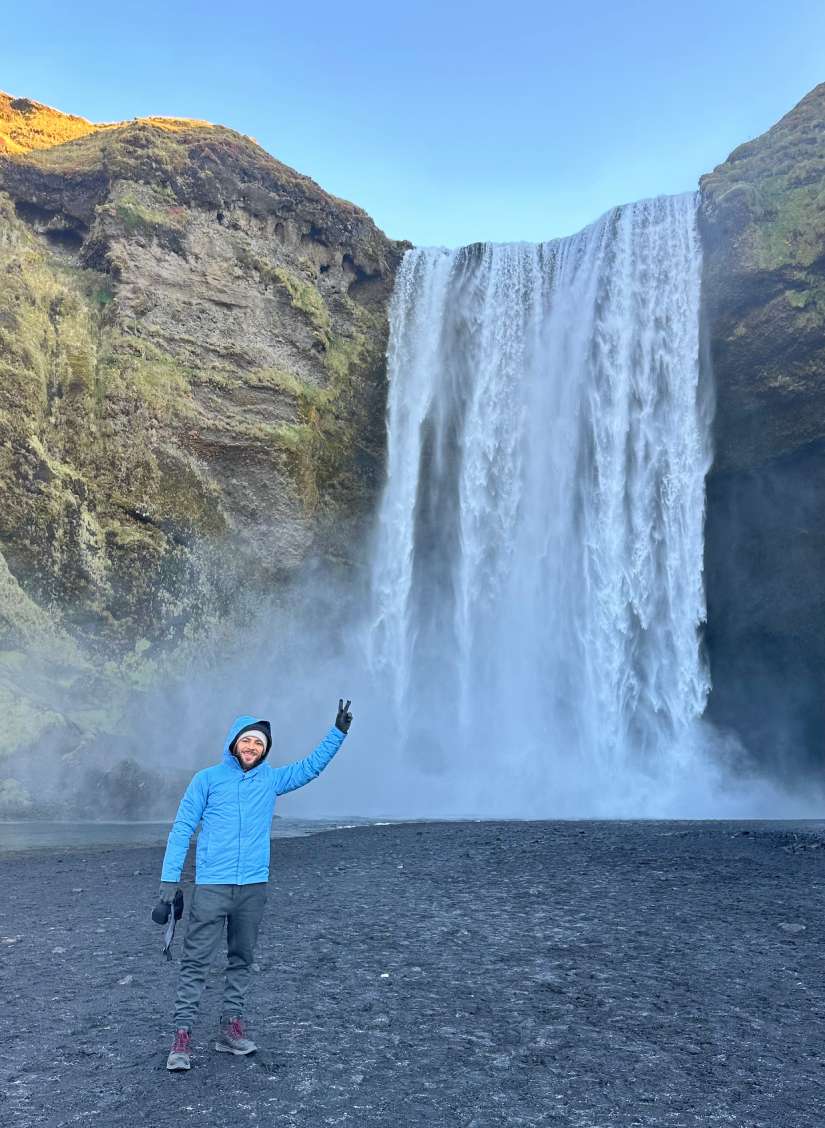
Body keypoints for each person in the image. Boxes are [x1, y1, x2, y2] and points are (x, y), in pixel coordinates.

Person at [159, 699, 353, 1072]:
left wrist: (337, 733)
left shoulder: (271, 779)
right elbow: (183, 828)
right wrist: (170, 879)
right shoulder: (207, 779)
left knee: (242, 959)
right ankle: (181, 1035)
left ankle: (230, 1029)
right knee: (196, 961)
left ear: (265, 751)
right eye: (247, 741)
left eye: (259, 744)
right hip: (212, 887)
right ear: (234, 742)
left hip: (253, 888)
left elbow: (311, 768)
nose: (252, 748)